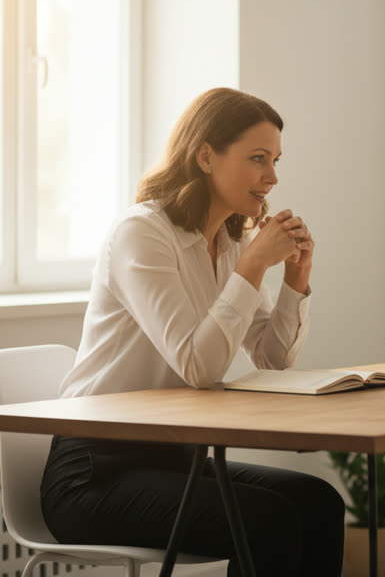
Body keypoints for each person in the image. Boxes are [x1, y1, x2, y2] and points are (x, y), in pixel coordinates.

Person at [40, 87, 344, 577]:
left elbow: (274, 357)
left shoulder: (229, 242)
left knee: (318, 500)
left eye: (275, 160)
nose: (272, 177)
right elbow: (199, 367)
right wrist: (252, 266)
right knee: (267, 519)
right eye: (258, 159)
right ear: (206, 155)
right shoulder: (142, 234)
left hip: (174, 460)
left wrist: (294, 279)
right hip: (94, 474)